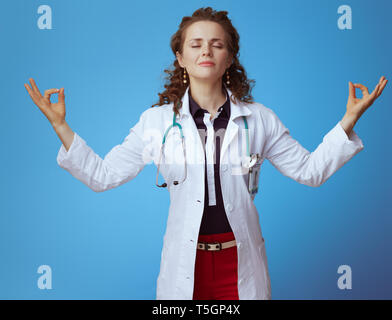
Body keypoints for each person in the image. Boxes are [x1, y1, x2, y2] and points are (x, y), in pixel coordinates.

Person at [24, 7, 387, 300]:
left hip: (239, 264)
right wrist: (61, 127)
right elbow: (103, 176)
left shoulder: (259, 120)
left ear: (230, 57)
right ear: (180, 57)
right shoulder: (156, 122)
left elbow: (310, 171)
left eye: (217, 44)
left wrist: (348, 120)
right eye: (195, 44)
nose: (206, 51)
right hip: (186, 266)